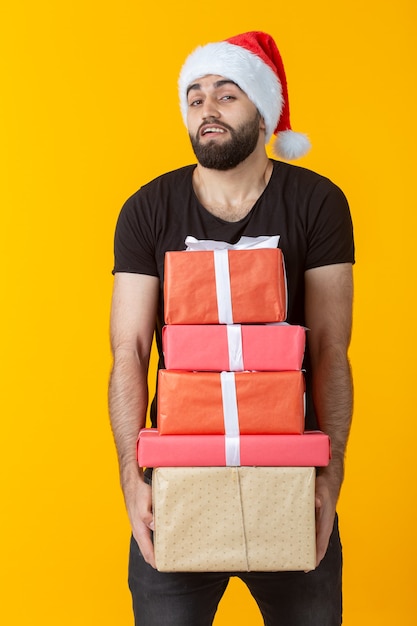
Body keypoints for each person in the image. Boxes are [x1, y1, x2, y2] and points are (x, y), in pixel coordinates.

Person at [109, 31, 354, 626]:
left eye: (226, 94)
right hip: (179, 481)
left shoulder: (317, 202)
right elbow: (129, 349)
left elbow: (329, 349)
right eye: (194, 98)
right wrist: (132, 478)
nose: (206, 109)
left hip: (290, 479)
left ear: (265, 111)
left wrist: (331, 473)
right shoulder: (147, 209)